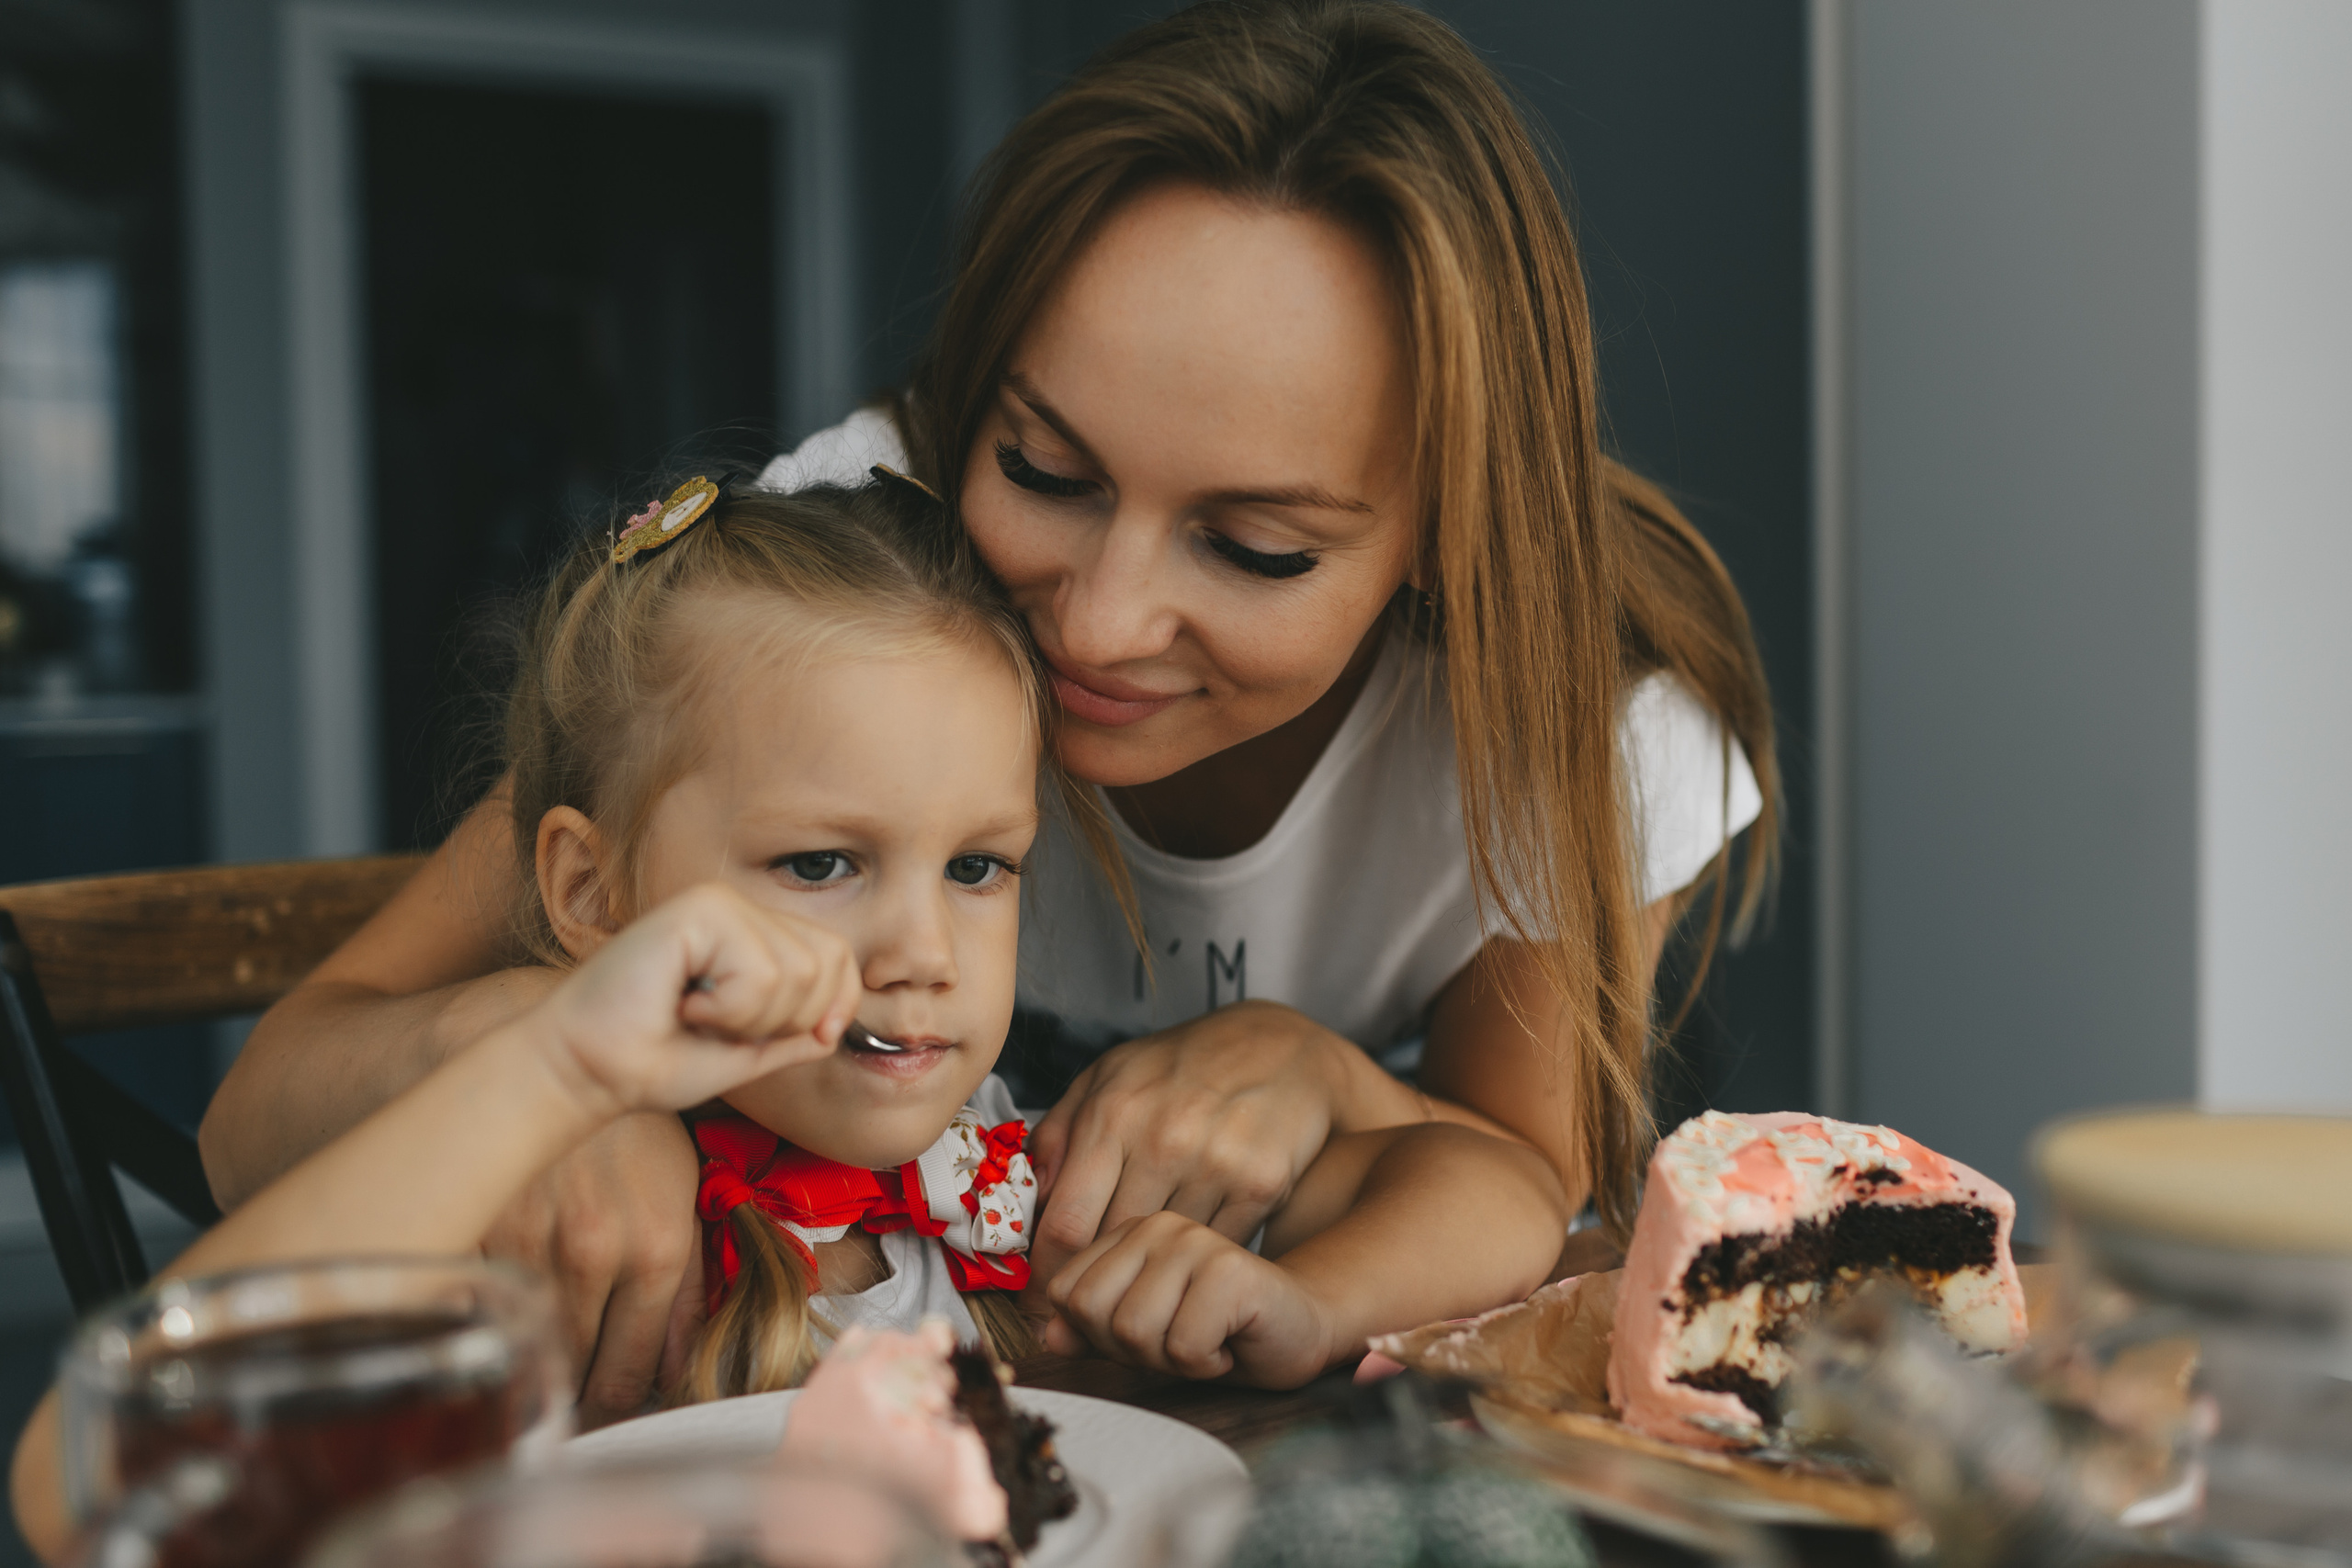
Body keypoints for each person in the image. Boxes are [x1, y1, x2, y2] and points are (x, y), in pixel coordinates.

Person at [199, 0, 1777, 1427]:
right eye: (1042, 468)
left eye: (1256, 547)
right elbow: (271, 1103)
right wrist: (544, 1069)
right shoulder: (836, 589)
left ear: (1451, 523)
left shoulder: (1575, 733)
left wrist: (1323, 1076)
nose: (1091, 627)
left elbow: (1518, 1189)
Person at [13, 475, 1566, 1562]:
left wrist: (1304, 1307)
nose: (919, 951)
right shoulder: (554, 1236)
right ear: (590, 893)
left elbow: (1500, 1197)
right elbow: (91, 1484)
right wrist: (553, 1067)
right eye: (820, 865)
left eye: (978, 867)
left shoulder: (999, 1187)